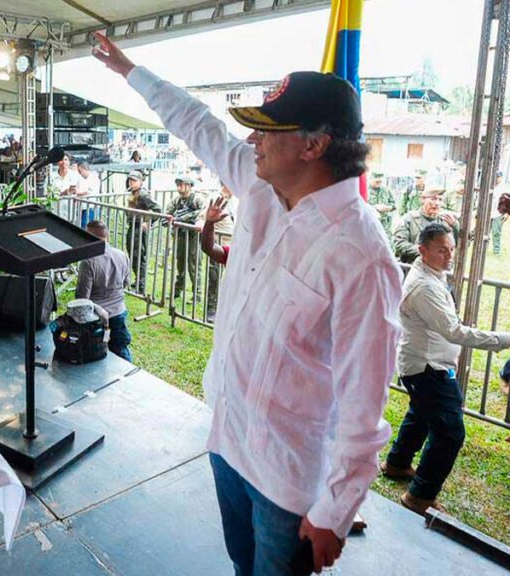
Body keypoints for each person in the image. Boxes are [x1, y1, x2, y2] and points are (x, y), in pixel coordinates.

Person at [94, 32, 401, 575]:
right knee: (242, 565)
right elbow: (197, 124)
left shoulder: (360, 254)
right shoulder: (259, 188)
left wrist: (335, 510)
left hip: (287, 477)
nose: (252, 140)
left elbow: (364, 402)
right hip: (227, 440)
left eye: (268, 129)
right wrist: (128, 71)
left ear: (313, 145)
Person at [381, 223, 510, 514]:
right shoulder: (424, 286)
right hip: (428, 367)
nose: (449, 255)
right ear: (422, 249)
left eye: (451, 249)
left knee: (422, 414)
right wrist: (503, 339)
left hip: (424, 365)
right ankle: (420, 496)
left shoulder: (432, 274)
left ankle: (397, 463)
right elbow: (454, 332)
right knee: (450, 432)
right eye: (442, 250)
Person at [76, 220, 132, 361]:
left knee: (97, 355)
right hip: (119, 312)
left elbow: (82, 298)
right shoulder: (122, 255)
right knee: (122, 351)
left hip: (96, 318)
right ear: (106, 236)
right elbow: (126, 283)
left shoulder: (88, 262)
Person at [196, 186, 237, 321]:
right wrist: (208, 223)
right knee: (214, 277)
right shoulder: (214, 198)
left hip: (233, 243)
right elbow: (201, 218)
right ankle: (211, 309)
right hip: (220, 243)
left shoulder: (237, 200)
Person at [392, 189, 460, 263]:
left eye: (440, 200)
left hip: (438, 268)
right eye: (433, 199)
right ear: (423, 200)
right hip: (413, 266)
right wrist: (425, 251)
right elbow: (399, 244)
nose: (437, 203)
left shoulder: (445, 221)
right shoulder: (410, 219)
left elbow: (459, 245)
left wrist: (455, 226)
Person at [125, 169, 161, 294]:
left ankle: (141, 284)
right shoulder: (131, 192)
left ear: (140, 182)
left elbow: (157, 209)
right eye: (130, 180)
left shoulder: (143, 195)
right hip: (132, 226)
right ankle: (138, 280)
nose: (131, 182)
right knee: (132, 254)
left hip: (139, 227)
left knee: (139, 255)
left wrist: (148, 222)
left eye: (134, 180)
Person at [169, 177, 205, 300]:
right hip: (181, 235)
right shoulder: (177, 200)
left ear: (189, 186)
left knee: (193, 264)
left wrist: (187, 217)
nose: (179, 187)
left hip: (193, 235)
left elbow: (204, 211)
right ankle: (178, 289)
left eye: (181, 185)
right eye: (178, 185)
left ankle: (197, 294)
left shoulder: (197, 199)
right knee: (180, 263)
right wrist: (170, 218)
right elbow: (168, 212)